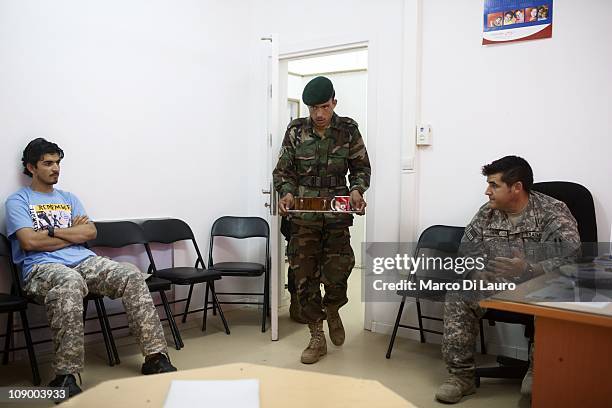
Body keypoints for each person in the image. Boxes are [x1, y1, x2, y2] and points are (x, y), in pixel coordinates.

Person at [5, 138, 177, 398]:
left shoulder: (69, 198)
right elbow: (29, 241)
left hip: (83, 260)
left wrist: (51, 232)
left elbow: (90, 231)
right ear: (31, 167)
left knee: (130, 273)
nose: (55, 169)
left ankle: (155, 357)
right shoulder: (18, 201)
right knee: (70, 281)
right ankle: (66, 375)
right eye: (47, 163)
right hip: (41, 268)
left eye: (58, 163)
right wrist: (70, 233)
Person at [435, 156, 580, 404]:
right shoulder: (487, 213)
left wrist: (530, 268)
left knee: (553, 296)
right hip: (496, 283)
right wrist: (476, 271)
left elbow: (573, 256)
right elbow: (466, 251)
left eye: (494, 185)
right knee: (459, 293)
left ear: (516, 187)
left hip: (540, 282)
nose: (487, 192)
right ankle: (461, 377)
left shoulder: (552, 211)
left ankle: (539, 371)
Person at [273, 76, 371, 364]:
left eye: (324, 107)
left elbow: (361, 167)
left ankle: (332, 309)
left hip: (336, 216)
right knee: (304, 276)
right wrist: (287, 193)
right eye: (313, 108)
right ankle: (316, 336)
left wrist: (356, 189)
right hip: (303, 217)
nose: (318, 114)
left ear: (334, 104)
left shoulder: (348, 129)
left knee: (339, 271)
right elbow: (283, 171)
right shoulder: (295, 130)